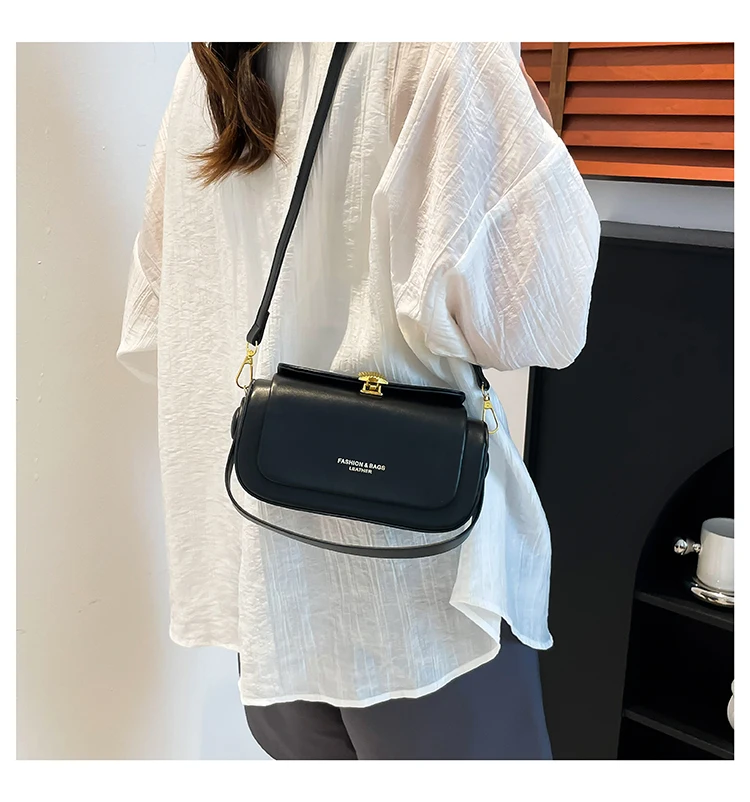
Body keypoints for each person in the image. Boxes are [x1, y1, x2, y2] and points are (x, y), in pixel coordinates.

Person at [117, 42, 600, 760]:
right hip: (419, 606)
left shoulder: (212, 66)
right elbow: (540, 319)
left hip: (268, 581)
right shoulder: (437, 45)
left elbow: (159, 313)